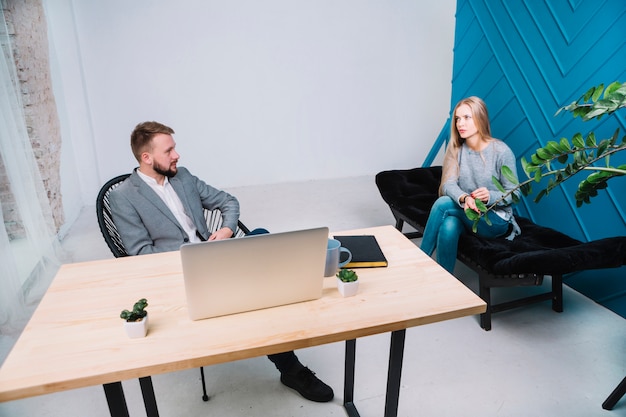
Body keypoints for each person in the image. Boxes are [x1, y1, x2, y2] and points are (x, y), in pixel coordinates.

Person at [109, 121, 334, 403]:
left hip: (216, 255)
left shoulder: (183, 177)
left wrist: (227, 229)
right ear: (146, 157)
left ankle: (290, 318)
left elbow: (228, 201)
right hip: (182, 269)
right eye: (169, 150)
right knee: (260, 287)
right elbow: (140, 253)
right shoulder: (124, 197)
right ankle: (291, 367)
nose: (177, 155)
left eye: (174, 148)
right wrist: (192, 256)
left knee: (262, 238)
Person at [420, 97, 521, 273]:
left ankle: (419, 262)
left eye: (467, 117)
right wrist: (465, 198)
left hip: (493, 220)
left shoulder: (501, 151)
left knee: (443, 204)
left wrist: (490, 196)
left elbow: (515, 193)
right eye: (458, 119)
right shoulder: (456, 150)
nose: (461, 123)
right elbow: (448, 185)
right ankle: (444, 284)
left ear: (480, 118)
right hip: (467, 213)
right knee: (448, 225)